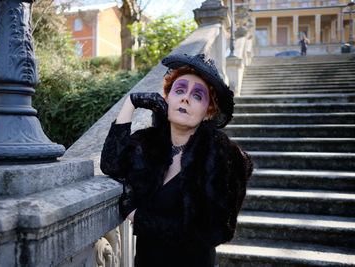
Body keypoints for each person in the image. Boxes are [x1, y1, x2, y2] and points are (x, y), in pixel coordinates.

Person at [100, 53, 253, 267]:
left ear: (208, 112)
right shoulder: (149, 143)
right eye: (179, 90)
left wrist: (138, 217)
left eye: (197, 96)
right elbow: (110, 164)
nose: (185, 98)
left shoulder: (225, 157)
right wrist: (131, 103)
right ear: (168, 98)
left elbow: (214, 232)